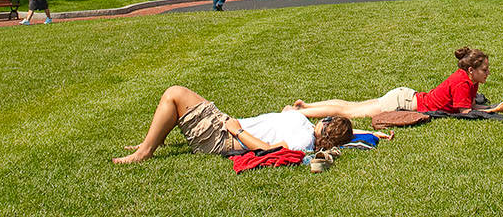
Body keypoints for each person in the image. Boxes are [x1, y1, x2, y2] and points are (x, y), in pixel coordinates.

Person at [113, 86, 353, 164]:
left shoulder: (304, 142)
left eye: (330, 121)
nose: (327, 118)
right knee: (186, 98)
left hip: (225, 137)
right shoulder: (304, 125)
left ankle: (144, 152)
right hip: (227, 125)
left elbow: (270, 151)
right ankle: (153, 140)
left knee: (175, 94)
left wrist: (236, 129)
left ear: (327, 131)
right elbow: (287, 113)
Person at [288, 47, 503, 119]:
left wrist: (497, 106)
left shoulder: (469, 80)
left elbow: (471, 107)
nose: (488, 73)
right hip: (404, 102)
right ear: (471, 70)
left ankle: (304, 106)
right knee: (349, 112)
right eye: (484, 70)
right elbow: (466, 112)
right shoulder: (464, 82)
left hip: (406, 96)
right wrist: (494, 110)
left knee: (351, 105)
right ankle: (298, 113)